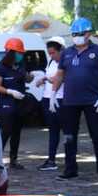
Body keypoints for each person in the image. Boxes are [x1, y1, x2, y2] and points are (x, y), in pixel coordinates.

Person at [51, 17, 98, 183]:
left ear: (88, 33)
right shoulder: (67, 53)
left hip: (93, 101)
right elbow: (60, 74)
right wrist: (53, 94)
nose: (76, 37)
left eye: (79, 34)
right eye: (74, 34)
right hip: (70, 101)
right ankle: (70, 170)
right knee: (69, 137)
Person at [0, 37, 34, 170]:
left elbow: (27, 79)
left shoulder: (20, 66)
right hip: (6, 105)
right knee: (6, 132)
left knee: (17, 132)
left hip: (19, 105)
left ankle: (13, 160)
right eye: (19, 53)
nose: (21, 55)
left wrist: (30, 76)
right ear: (11, 53)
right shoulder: (0, 69)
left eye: (22, 53)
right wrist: (10, 92)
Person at [35, 36, 66, 171]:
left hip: (61, 99)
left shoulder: (65, 62)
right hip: (48, 99)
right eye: (50, 53)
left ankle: (70, 160)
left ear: (61, 50)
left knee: (67, 130)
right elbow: (50, 77)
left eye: (53, 53)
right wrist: (43, 79)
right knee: (53, 130)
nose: (51, 55)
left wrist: (47, 79)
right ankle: (51, 160)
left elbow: (58, 78)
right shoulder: (51, 62)